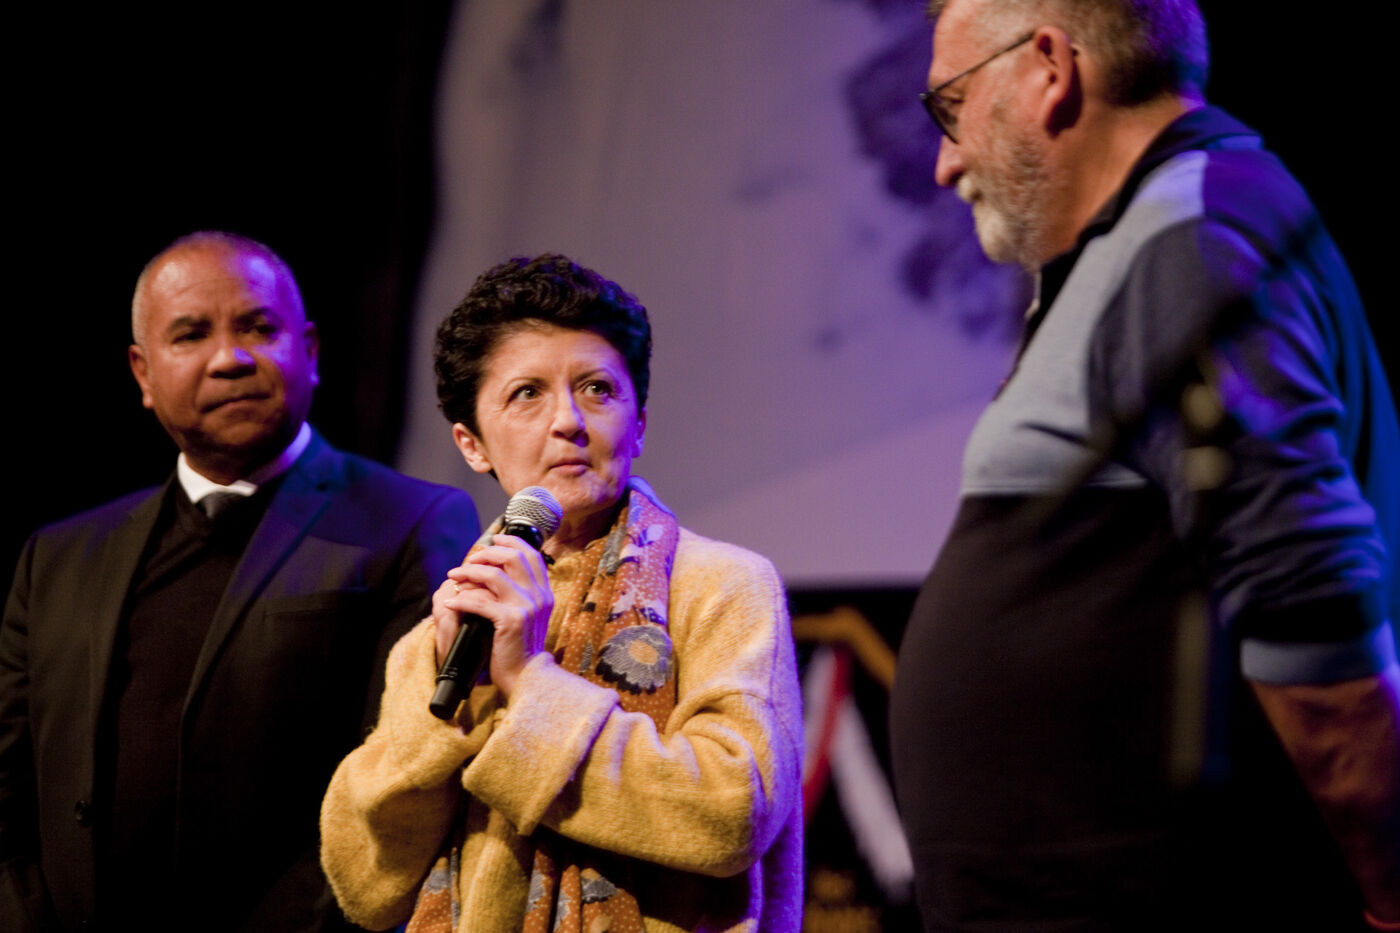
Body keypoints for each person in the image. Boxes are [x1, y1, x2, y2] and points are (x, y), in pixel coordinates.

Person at [888, 1, 1400, 930]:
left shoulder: (1188, 232)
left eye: (952, 106)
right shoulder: (1153, 237)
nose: (945, 163)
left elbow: (1310, 600)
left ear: (1049, 67)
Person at [0, 231, 481, 932]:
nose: (230, 358)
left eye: (258, 327)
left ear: (310, 351)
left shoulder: (410, 523)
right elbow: (9, 791)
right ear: (142, 373)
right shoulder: (58, 558)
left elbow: (404, 777)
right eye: (191, 334)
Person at [319, 254, 803, 932]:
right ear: (472, 444)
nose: (569, 421)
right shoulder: (450, 627)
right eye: (527, 394)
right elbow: (366, 886)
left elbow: (732, 815)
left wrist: (528, 683)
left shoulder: (722, 585)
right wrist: (445, 708)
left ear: (639, 422)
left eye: (598, 389)